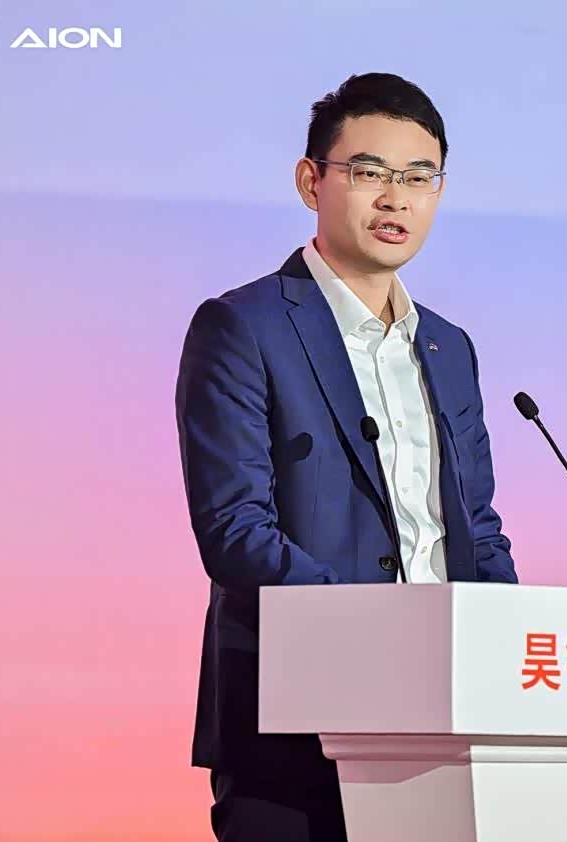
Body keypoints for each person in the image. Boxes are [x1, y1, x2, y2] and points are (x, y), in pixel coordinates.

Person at [174, 72, 519, 842]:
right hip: (292, 721)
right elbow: (235, 532)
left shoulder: (449, 347)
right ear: (311, 182)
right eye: (370, 173)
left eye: (419, 177)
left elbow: (476, 528)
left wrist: (504, 654)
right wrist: (378, 634)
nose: (396, 199)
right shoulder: (243, 327)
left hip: (445, 725)